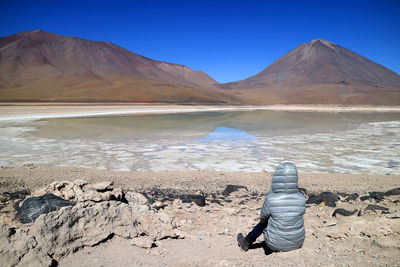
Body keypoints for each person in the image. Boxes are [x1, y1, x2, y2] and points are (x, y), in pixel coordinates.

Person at [237, 162, 306, 252]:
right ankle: (292, 240)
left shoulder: (271, 198)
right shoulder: (301, 197)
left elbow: (262, 219)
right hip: (298, 243)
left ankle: (245, 243)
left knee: (263, 223)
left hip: (275, 245)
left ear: (277, 178)